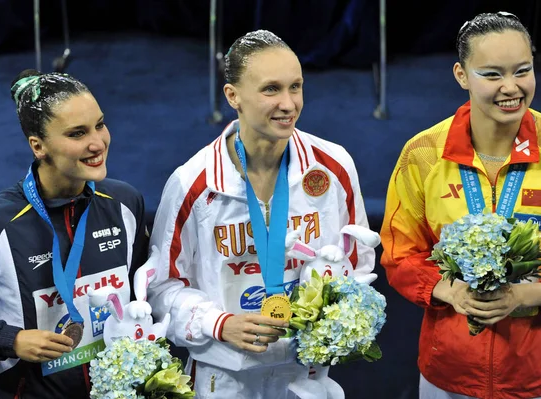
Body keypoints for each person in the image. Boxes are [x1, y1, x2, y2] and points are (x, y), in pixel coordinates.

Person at [144, 30, 376, 398]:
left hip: (308, 377)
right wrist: (219, 324)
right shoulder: (194, 184)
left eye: (295, 87)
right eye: (271, 89)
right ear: (233, 96)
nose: (289, 104)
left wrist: (339, 315)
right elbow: (159, 288)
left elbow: (358, 262)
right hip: (226, 379)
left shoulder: (333, 168)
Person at [380, 11, 541, 399]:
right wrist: (449, 291)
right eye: (492, 74)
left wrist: (526, 296)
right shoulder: (423, 154)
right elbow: (400, 253)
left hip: (540, 375)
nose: (511, 87)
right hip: (448, 373)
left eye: (523, 70)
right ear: (461, 75)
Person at [0, 69, 149, 398]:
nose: (98, 143)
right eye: (77, 133)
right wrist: (10, 340)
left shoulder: (125, 203)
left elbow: (143, 294)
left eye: (100, 124)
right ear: (38, 145)